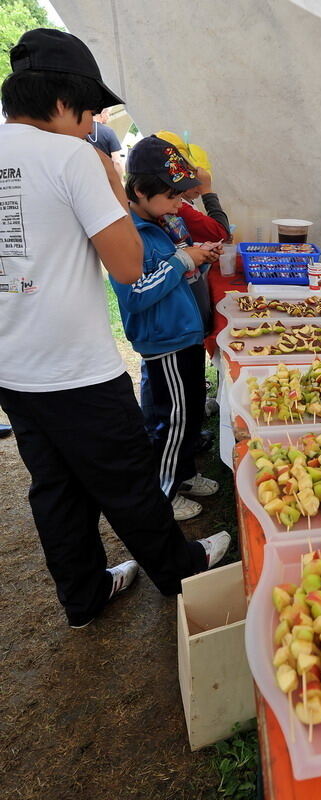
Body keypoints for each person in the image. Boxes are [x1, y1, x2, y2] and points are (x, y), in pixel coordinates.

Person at [0, 28, 230, 629]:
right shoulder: (72, 155)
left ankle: (84, 594)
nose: (93, 120)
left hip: (11, 365)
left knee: (54, 486)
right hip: (74, 365)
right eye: (90, 109)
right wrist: (104, 171)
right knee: (125, 477)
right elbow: (128, 266)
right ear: (62, 101)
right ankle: (180, 570)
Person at [110, 135, 222, 522]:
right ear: (140, 190)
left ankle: (184, 472)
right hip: (165, 340)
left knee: (189, 411)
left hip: (185, 333)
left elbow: (182, 272)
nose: (180, 204)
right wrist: (180, 260)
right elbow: (137, 293)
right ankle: (164, 491)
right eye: (173, 196)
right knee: (172, 417)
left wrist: (200, 259)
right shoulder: (127, 235)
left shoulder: (166, 220)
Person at [86, 106, 125, 179]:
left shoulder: (80, 130)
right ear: (102, 113)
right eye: (108, 114)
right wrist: (120, 180)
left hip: (86, 176)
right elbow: (117, 161)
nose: (109, 117)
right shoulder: (109, 132)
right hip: (105, 177)